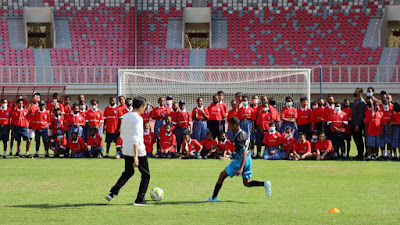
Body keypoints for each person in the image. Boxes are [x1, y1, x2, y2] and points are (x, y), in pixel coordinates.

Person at [205, 117, 271, 202]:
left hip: (240, 160)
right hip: (248, 160)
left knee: (222, 176)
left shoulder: (238, 137)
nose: (229, 128)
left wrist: (241, 167)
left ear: (235, 125)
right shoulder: (244, 133)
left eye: (230, 126)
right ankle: (264, 184)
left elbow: (244, 152)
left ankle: (214, 198)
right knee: (246, 183)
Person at [106, 97, 151, 205]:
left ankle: (112, 192)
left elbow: (122, 133)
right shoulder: (138, 119)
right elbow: (136, 137)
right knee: (146, 175)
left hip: (126, 148)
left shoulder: (125, 116)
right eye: (145, 107)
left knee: (128, 172)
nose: (145, 109)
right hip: (138, 150)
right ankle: (140, 199)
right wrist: (136, 156)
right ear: (141, 107)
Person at [352, 88, 366, 159]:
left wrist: (357, 124)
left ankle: (361, 154)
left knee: (359, 139)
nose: (355, 93)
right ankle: (359, 153)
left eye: (356, 92)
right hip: (354, 123)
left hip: (358, 124)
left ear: (360, 93)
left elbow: (361, 114)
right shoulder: (355, 101)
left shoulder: (362, 102)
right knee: (355, 138)